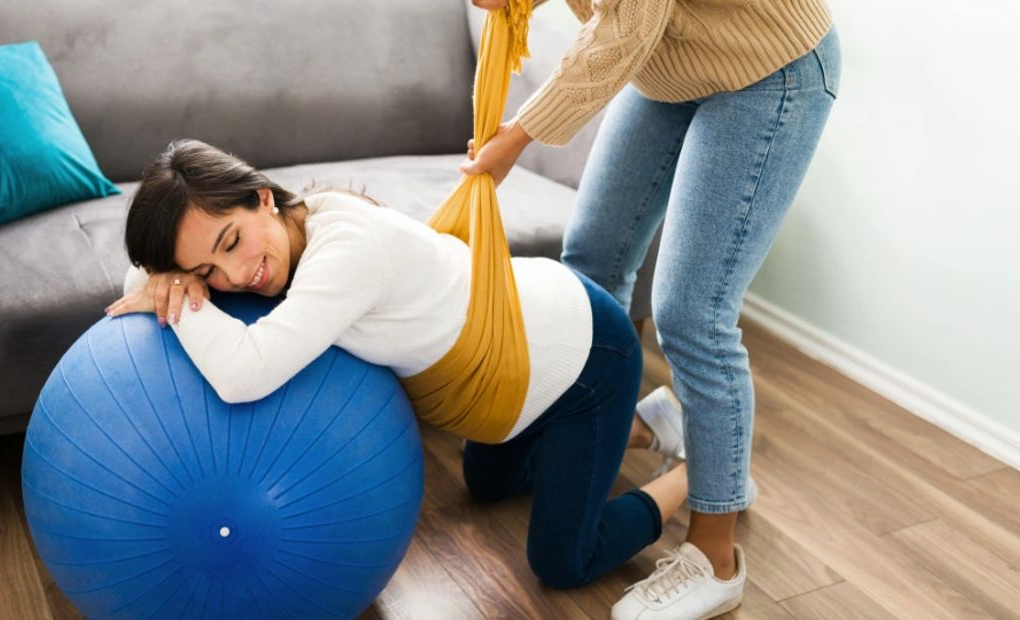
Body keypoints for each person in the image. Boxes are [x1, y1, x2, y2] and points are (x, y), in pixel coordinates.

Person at [105, 139, 691, 590]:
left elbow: (242, 375)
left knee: (564, 561)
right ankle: (642, 427)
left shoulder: (346, 250)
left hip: (587, 355)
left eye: (231, 243)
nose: (234, 276)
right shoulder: (293, 227)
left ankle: (698, 475)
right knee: (489, 484)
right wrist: (165, 279)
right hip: (514, 366)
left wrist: (175, 297)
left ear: (262, 196)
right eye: (204, 272)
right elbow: (140, 274)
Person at [462, 0, 840, 616]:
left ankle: (716, 562)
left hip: (766, 67)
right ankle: (645, 427)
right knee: (590, 266)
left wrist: (521, 133)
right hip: (668, 63)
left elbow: (627, 25)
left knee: (693, 315)